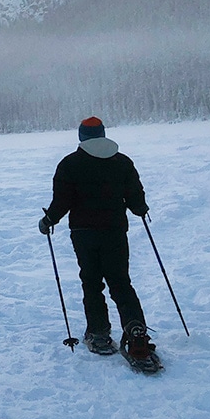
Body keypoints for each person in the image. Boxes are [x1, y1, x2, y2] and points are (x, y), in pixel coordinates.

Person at [39, 117, 156, 366]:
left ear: (81, 137)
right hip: (115, 232)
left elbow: (62, 202)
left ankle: (99, 333)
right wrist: (141, 208)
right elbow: (136, 199)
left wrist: (48, 220)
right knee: (121, 282)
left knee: (91, 282)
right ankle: (136, 330)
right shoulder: (122, 162)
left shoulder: (69, 164)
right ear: (103, 134)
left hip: (83, 234)